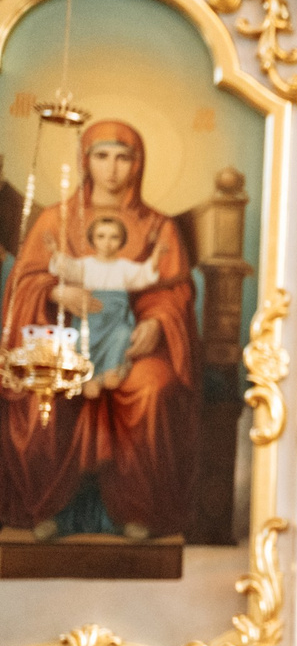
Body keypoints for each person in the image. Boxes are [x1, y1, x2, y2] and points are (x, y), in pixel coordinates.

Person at [0, 119, 197, 538]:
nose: (112, 168)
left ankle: (136, 512)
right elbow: (24, 281)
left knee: (151, 388)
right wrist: (56, 292)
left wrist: (157, 322)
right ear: (84, 161)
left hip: (129, 343)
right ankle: (47, 510)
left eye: (123, 158)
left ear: (138, 164)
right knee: (42, 393)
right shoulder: (55, 219)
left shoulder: (159, 226)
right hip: (65, 339)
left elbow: (172, 290)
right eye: (102, 156)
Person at [57, 214, 158, 398]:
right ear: (92, 240)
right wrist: (54, 252)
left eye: (114, 237)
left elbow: (144, 275)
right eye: (101, 236)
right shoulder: (85, 264)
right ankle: (86, 380)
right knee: (82, 343)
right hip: (91, 318)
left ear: (122, 241)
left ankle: (107, 375)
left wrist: (157, 254)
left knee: (123, 335)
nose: (107, 243)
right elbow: (67, 268)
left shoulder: (124, 266)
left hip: (116, 319)